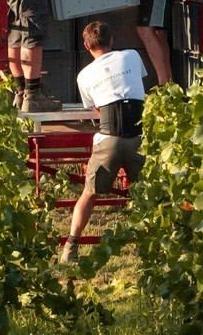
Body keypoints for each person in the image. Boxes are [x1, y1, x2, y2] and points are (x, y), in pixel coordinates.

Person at [61, 21, 147, 263]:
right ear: (112, 41)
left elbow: (96, 108)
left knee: (89, 194)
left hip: (109, 138)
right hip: (139, 137)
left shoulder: (84, 75)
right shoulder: (131, 56)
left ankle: (70, 246)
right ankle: (152, 242)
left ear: (87, 46)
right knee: (146, 193)